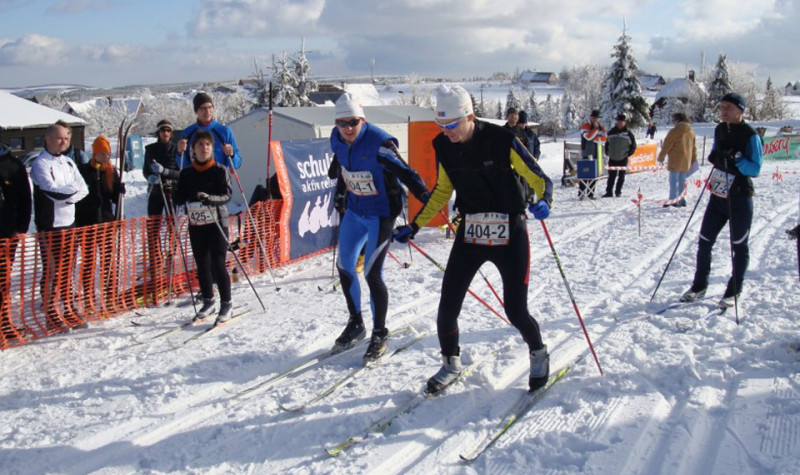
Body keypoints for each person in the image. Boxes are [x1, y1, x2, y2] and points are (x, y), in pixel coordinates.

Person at [393, 85, 553, 394]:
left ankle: (538, 353)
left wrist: (545, 199)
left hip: (509, 233)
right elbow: (443, 190)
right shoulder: (443, 145)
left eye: (452, 124)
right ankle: (450, 363)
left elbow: (539, 177)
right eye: (441, 124)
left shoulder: (502, 139)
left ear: (469, 116)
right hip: (471, 232)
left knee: (516, 310)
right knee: (447, 307)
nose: (447, 131)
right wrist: (415, 226)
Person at [329, 93, 430, 364]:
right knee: (345, 266)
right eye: (342, 123)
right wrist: (340, 191)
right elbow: (342, 164)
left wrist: (426, 198)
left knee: (372, 273)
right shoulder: (336, 137)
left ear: (363, 120)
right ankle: (356, 323)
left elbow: (407, 173)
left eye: (353, 122)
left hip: (381, 214)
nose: (348, 128)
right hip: (355, 211)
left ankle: (379, 333)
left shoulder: (380, 142)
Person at [680, 93, 763, 309]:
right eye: (722, 107)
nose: (723, 111)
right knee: (704, 241)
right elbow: (715, 153)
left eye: (728, 107)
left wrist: (738, 158)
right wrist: (716, 157)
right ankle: (699, 286)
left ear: (740, 110)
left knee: (738, 245)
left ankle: (734, 291)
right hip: (718, 196)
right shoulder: (719, 129)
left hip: (739, 197)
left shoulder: (750, 135)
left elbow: (755, 168)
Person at [30, 122, 89, 332]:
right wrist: (71, 192)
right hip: (50, 226)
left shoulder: (69, 162)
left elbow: (84, 189)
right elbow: (51, 192)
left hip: (69, 223)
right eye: (59, 138)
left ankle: (69, 309)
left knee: (68, 270)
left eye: (66, 138)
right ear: (48, 138)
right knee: (52, 271)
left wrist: (68, 197)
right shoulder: (40, 164)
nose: (63, 142)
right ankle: (51, 314)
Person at [174, 130, 234, 325]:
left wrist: (211, 199)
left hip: (217, 222)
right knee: (202, 263)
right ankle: (208, 301)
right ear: (193, 149)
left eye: (207, 145)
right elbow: (180, 197)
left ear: (212, 148)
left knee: (218, 262)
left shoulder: (219, 170)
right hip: (197, 224)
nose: (204, 148)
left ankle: (227, 303)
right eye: (200, 145)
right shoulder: (187, 173)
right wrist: (173, 194)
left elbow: (227, 195)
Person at [75, 136, 124, 316]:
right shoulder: (83, 170)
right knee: (89, 262)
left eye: (107, 154)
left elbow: (113, 198)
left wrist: (118, 191)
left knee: (108, 261)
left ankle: (110, 295)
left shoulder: (111, 172)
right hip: (87, 223)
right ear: (94, 153)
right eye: (102, 154)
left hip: (106, 222)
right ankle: (88, 298)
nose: (105, 157)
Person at [143, 119, 180, 300]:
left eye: (168, 130)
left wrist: (166, 172)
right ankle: (155, 259)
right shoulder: (150, 149)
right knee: (154, 227)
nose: (165, 133)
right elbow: (145, 170)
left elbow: (180, 172)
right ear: (158, 133)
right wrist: (150, 176)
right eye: (162, 130)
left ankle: (171, 257)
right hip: (156, 191)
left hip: (171, 190)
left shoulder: (176, 149)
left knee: (172, 226)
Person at [0, 144, 32, 340]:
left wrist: (21, 227)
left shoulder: (13, 165)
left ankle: (4, 323)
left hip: (6, 234)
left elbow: (25, 198)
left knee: (3, 281)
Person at [178, 93, 242, 170]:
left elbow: (236, 164)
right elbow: (182, 166)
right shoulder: (188, 133)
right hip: (195, 176)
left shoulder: (224, 131)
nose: (207, 111)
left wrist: (232, 155)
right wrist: (179, 152)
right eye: (203, 108)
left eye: (210, 107)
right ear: (196, 111)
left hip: (219, 175)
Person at [657, 112, 697, 207]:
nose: (673, 122)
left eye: (674, 120)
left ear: (678, 120)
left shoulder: (674, 131)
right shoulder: (691, 131)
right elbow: (694, 147)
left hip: (675, 160)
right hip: (686, 161)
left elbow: (667, 145)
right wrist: (693, 159)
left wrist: (661, 157)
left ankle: (673, 200)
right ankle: (682, 200)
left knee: (673, 182)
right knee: (682, 181)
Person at [603, 114, 636, 198]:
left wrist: (628, 153)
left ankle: (618, 192)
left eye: (621, 121)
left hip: (623, 158)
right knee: (611, 176)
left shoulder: (628, 133)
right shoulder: (611, 132)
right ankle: (609, 192)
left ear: (625, 122)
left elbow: (633, 145)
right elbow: (607, 144)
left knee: (621, 176)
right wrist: (607, 152)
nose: (620, 123)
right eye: (618, 121)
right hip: (612, 158)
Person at [579, 110, 607, 199]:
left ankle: (591, 194)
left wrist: (595, 137)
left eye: (597, 118)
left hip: (597, 153)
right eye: (594, 118)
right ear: (591, 118)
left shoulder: (601, 127)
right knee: (585, 173)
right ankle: (581, 193)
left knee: (594, 174)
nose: (596, 120)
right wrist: (596, 130)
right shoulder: (585, 126)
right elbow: (588, 137)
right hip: (587, 153)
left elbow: (605, 138)